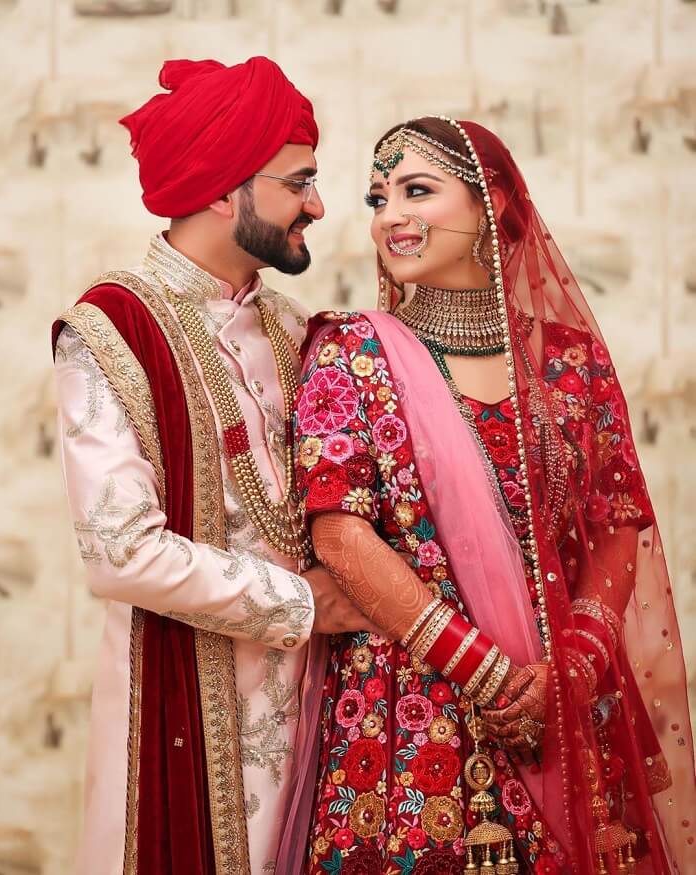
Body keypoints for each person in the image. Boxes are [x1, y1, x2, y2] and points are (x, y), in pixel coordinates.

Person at [279, 117, 696, 874]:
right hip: (409, 716)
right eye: (379, 198)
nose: (391, 216)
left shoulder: (571, 363)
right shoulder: (348, 349)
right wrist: (490, 674)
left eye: (417, 190)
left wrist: (569, 670)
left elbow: (616, 524)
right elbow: (341, 535)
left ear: (492, 203)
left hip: (567, 701)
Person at [51, 56, 374, 875]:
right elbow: (120, 549)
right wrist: (305, 601)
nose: (318, 205)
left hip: (318, 709)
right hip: (182, 708)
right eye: (298, 181)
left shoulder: (298, 330)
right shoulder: (112, 328)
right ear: (226, 188)